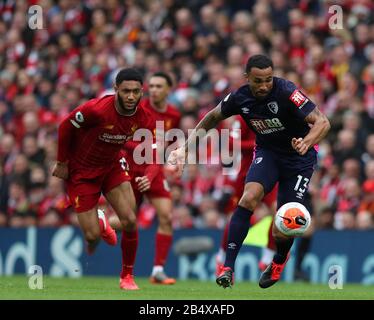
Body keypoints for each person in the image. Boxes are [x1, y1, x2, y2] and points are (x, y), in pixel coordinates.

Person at [168, 54, 330, 289]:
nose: (264, 85)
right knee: (248, 197)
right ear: (248, 78)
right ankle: (228, 267)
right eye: (258, 81)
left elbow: (323, 122)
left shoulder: (287, 91)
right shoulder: (239, 97)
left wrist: (306, 142)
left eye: (268, 79)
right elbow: (212, 117)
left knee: (284, 220)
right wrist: (185, 148)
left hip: (299, 159)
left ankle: (279, 260)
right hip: (269, 153)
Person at [52, 68, 156, 290]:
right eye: (126, 91)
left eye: (136, 92)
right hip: (81, 172)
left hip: (111, 166)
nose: (131, 96)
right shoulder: (96, 109)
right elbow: (65, 126)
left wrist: (149, 174)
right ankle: (100, 224)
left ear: (141, 92)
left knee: (130, 219)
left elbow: (152, 150)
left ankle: (127, 276)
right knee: (92, 237)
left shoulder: (144, 117)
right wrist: (62, 162)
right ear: (116, 89)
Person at [110, 72, 181, 284]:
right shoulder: (137, 109)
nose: (154, 90)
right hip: (131, 170)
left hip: (154, 169)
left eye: (159, 86)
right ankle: (100, 221)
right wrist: (147, 147)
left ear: (169, 89)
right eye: (151, 86)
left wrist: (171, 160)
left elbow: (167, 145)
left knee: (167, 216)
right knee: (127, 220)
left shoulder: (173, 115)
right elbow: (121, 140)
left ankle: (158, 270)